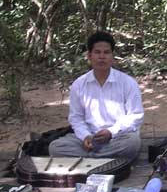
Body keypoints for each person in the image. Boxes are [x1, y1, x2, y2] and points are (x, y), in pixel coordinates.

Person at [48, 31, 144, 160]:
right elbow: (76, 118)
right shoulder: (79, 84)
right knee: (55, 147)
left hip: (117, 137)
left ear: (112, 56)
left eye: (106, 52)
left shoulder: (127, 83)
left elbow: (135, 116)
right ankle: (104, 157)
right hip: (90, 138)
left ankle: (91, 157)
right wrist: (86, 136)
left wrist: (111, 132)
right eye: (97, 52)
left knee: (132, 143)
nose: (102, 57)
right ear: (89, 56)